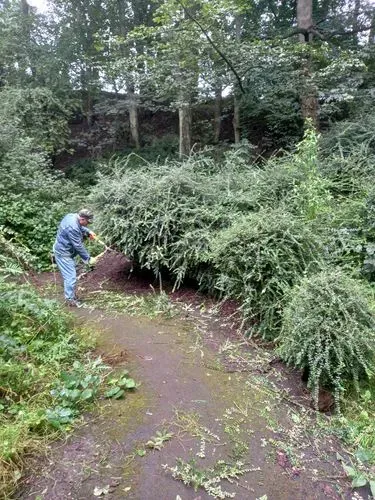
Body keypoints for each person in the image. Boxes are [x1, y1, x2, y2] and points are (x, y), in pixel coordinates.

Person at [53, 208, 97, 307]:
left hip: (65, 249)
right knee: (70, 276)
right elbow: (78, 246)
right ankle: (70, 300)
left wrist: (88, 231)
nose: (88, 224)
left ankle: (71, 295)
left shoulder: (71, 216)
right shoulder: (72, 227)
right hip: (63, 253)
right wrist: (88, 258)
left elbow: (80, 227)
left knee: (71, 274)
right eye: (87, 222)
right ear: (82, 219)